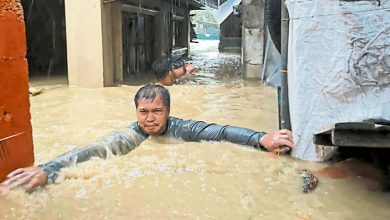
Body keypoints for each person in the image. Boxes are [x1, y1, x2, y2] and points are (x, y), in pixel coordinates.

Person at [0, 84, 294, 192]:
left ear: (168, 111)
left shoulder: (183, 128)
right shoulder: (133, 135)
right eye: (144, 112)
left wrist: (260, 138)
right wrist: (48, 170)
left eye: (157, 111)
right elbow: (97, 149)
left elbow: (221, 132)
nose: (150, 118)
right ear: (136, 112)